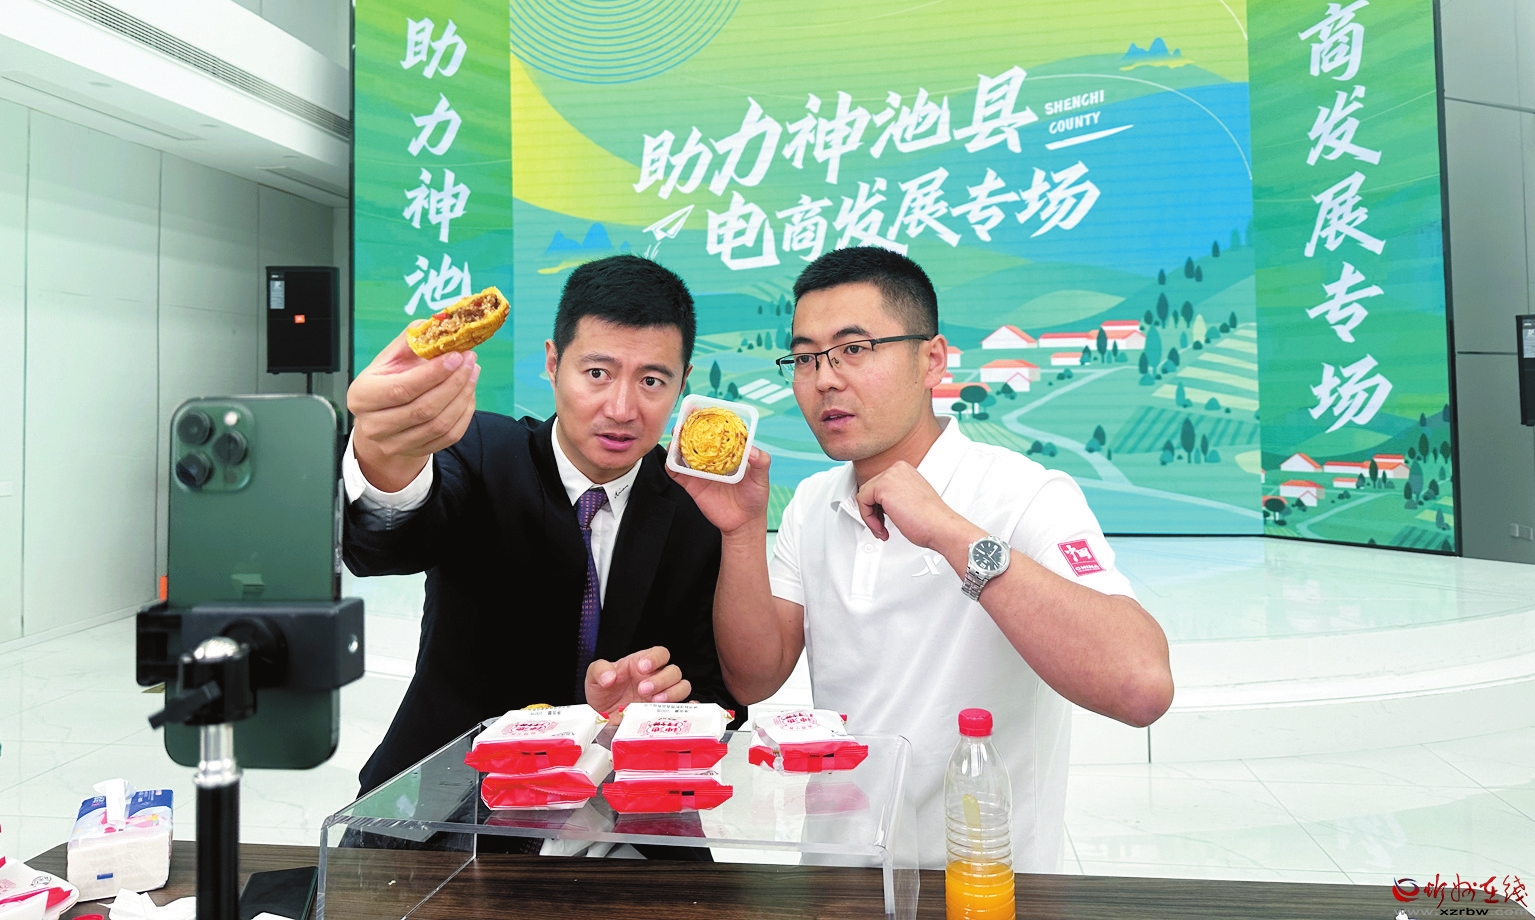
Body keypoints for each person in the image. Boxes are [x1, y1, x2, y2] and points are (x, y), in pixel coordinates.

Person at [674, 247, 1174, 872]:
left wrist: (947, 530)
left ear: (931, 359)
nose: (825, 378)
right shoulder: (811, 503)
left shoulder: (1025, 494)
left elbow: (1140, 685)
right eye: (805, 357)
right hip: (838, 878)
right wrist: (743, 531)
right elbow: (754, 678)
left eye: (854, 348)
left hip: (983, 883)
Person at [343, 254, 740, 798]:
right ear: (553, 363)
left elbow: (717, 697)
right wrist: (386, 453)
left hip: (618, 810)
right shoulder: (481, 450)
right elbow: (388, 544)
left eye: (652, 380)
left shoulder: (698, 506)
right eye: (597, 373)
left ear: (683, 383)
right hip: (449, 798)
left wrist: (646, 714)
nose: (621, 408)